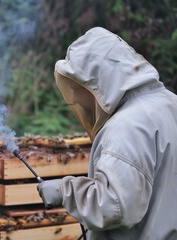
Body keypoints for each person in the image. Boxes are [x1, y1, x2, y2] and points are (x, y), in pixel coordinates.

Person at [37, 27, 177, 239]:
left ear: (98, 80)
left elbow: (115, 206)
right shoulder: (171, 104)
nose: (75, 95)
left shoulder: (128, 126)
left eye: (78, 86)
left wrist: (65, 190)